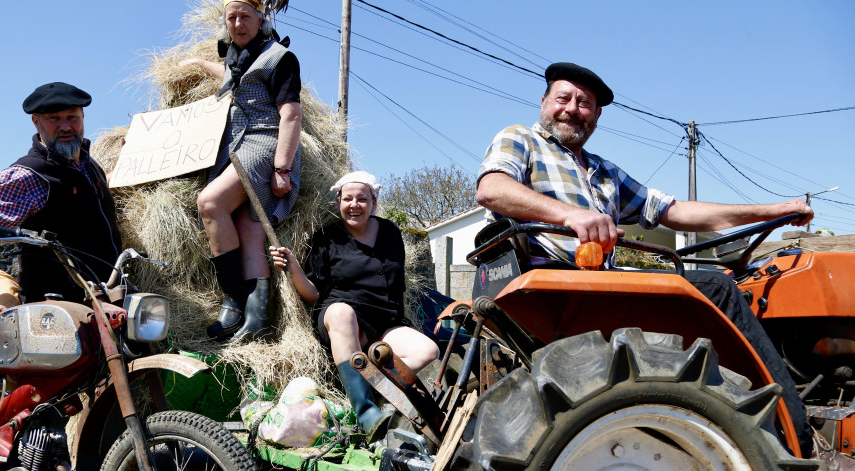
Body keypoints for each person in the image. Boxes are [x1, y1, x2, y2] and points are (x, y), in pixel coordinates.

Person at [476, 61, 815, 455]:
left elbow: (675, 212)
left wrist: (768, 211)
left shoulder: (605, 173)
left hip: (596, 282)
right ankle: (795, 434)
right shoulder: (521, 138)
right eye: (563, 98)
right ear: (544, 102)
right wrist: (569, 214)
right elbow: (493, 188)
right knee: (719, 288)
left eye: (584, 103)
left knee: (712, 278)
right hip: (563, 283)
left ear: (597, 115)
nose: (572, 109)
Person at [269, 171, 440, 441]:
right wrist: (293, 269)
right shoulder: (327, 237)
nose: (354, 204)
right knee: (340, 311)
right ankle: (366, 412)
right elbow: (313, 294)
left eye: (362, 198)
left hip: (385, 323)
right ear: (338, 202)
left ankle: (368, 386)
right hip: (344, 324)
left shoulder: (390, 232)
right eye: (347, 198)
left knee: (428, 350)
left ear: (374, 201)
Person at [0, 82, 121, 340]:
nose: (65, 126)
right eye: (54, 119)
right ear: (36, 122)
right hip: (59, 315)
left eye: (72, 117)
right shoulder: (27, 176)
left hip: (109, 301)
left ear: (82, 117)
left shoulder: (88, 164)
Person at [179, 0, 303, 343]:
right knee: (249, 229)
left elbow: (291, 115)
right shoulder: (238, 58)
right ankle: (256, 322)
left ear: (260, 19)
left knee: (210, 203)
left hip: (265, 143)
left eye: (245, 16)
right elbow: (237, 79)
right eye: (231, 17)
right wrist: (203, 64)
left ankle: (232, 298)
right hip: (236, 144)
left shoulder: (280, 57)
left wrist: (283, 167)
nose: (238, 23)